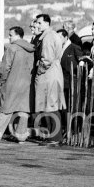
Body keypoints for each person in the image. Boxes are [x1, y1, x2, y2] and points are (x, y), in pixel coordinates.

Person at [0, 26, 35, 143]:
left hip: (12, 83)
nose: (9, 37)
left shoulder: (11, 48)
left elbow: (5, 68)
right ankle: (21, 135)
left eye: (11, 35)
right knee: (23, 110)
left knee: (5, 108)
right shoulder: (31, 49)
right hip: (27, 83)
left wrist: (1, 80)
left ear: (18, 35)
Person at [34, 14, 66, 146]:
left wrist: (38, 71)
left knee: (51, 106)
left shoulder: (47, 37)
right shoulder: (51, 36)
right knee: (51, 105)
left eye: (39, 22)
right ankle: (54, 136)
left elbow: (46, 59)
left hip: (48, 75)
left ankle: (55, 137)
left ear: (47, 23)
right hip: (53, 74)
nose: (37, 25)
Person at [57, 28, 83, 138]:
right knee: (64, 107)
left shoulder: (74, 48)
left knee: (73, 106)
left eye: (59, 38)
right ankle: (66, 128)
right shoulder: (59, 49)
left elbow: (82, 62)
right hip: (62, 82)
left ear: (65, 37)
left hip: (72, 81)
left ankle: (75, 129)